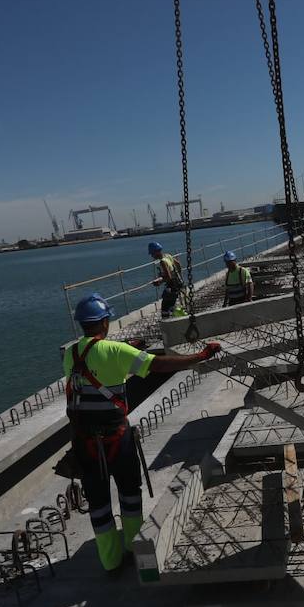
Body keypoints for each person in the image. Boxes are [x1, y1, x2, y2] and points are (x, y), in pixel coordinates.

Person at [64, 292, 220, 572]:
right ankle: (134, 548)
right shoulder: (115, 351)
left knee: (98, 503)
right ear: (104, 322)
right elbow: (157, 364)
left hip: (85, 444)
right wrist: (200, 356)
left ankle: (110, 562)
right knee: (129, 493)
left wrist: (126, 350)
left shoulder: (70, 354)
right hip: (116, 439)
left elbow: (95, 362)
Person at [148, 241, 185, 317]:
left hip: (171, 286)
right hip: (177, 283)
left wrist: (159, 282)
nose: (152, 256)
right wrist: (179, 276)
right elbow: (178, 265)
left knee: (165, 307)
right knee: (172, 304)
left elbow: (168, 277)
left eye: (152, 254)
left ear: (156, 252)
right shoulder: (168, 256)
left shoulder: (162, 262)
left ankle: (169, 320)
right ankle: (177, 316)